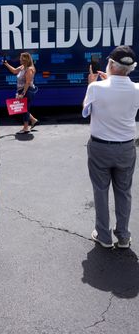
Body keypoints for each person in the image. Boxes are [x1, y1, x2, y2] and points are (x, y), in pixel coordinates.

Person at [82, 46, 139, 249]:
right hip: (126, 148)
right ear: (130, 68)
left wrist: (93, 84)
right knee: (124, 192)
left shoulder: (96, 88)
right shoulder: (137, 89)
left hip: (100, 148)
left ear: (111, 65)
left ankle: (104, 236)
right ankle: (123, 236)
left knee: (100, 191)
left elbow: (85, 112)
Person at [3, 52, 39, 134]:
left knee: (24, 109)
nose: (19, 59)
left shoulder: (29, 69)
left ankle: (26, 128)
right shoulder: (23, 67)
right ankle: (33, 120)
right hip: (22, 90)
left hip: (27, 90)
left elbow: (27, 82)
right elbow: (15, 71)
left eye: (21, 58)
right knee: (22, 108)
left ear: (25, 59)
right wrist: (6, 64)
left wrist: (22, 93)